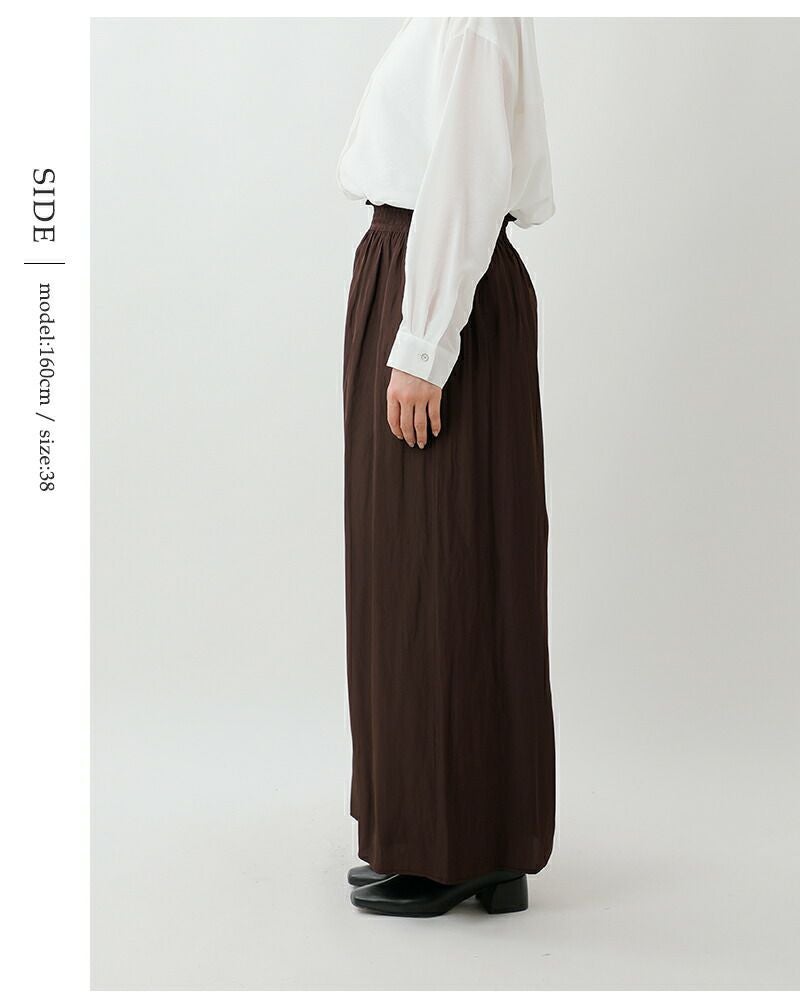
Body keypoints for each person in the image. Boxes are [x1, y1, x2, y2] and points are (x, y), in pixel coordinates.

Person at [337, 16, 556, 918]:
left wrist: (424, 342)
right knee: (413, 569)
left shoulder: (474, 15)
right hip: (412, 272)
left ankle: (458, 846)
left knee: (445, 567)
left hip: (432, 286)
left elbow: (465, 177)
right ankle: (448, 835)